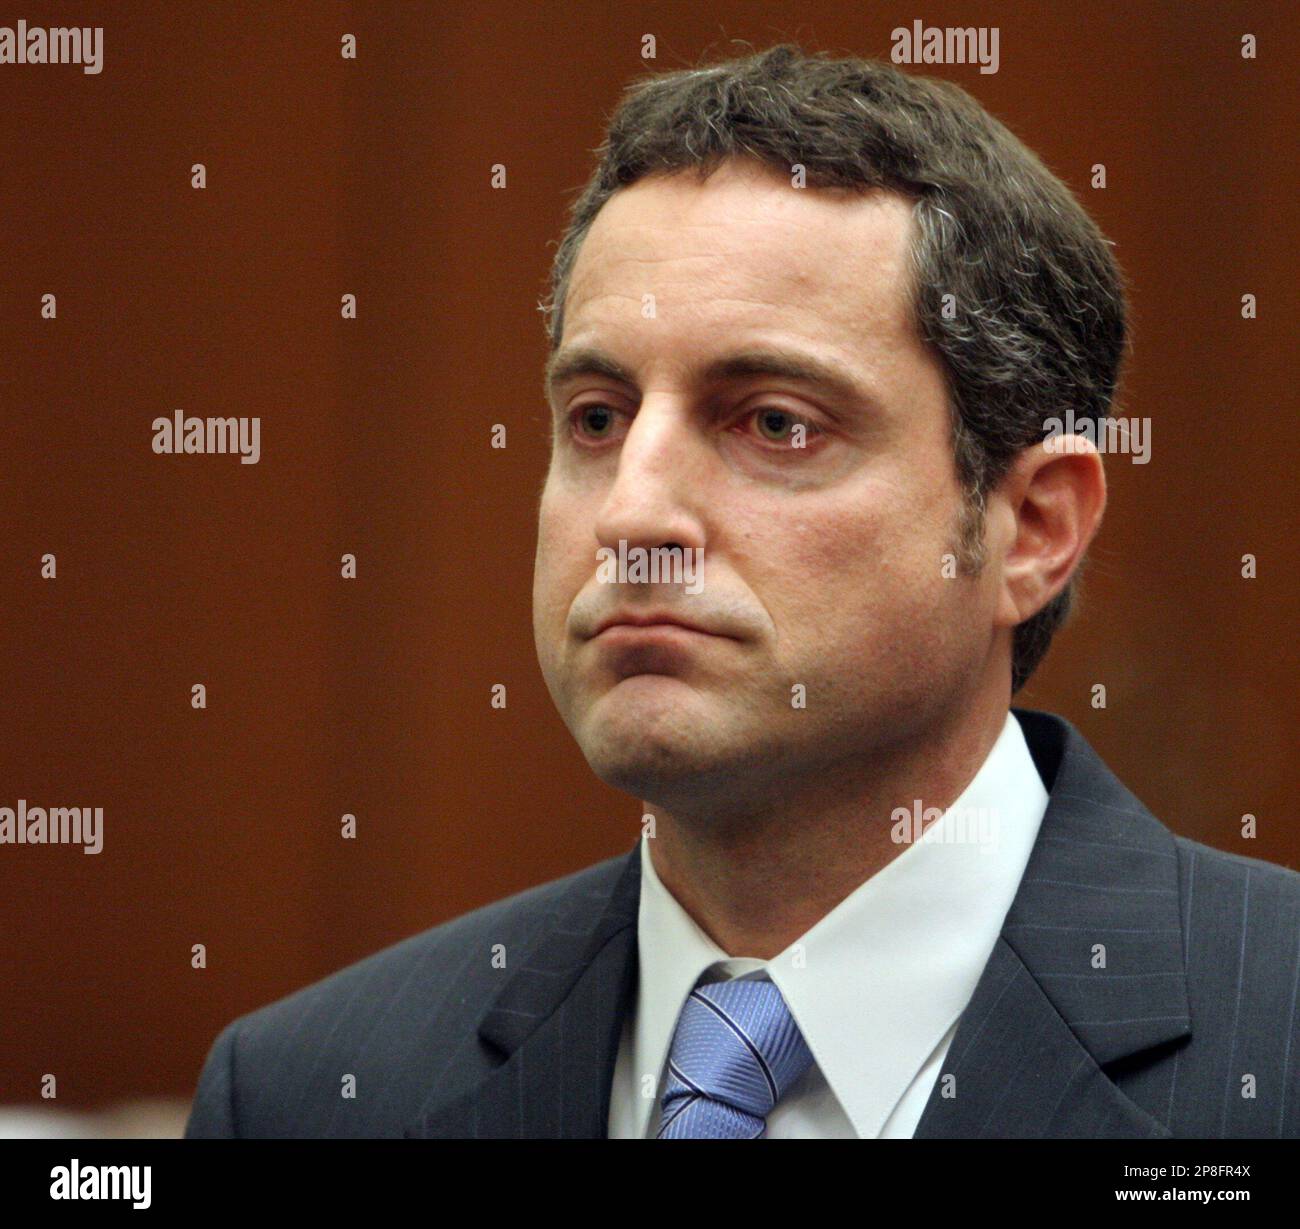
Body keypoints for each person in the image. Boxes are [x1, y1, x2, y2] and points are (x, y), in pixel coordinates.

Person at [186, 44, 1300, 1140]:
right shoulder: (311, 1087)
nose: (631, 519)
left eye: (774, 422)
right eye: (597, 418)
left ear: (1031, 531)